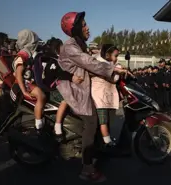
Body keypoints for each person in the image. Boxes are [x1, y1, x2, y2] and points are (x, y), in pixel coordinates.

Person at [58, 11, 127, 182]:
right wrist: (113, 69)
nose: (88, 28)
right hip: (74, 89)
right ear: (75, 29)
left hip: (82, 87)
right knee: (91, 121)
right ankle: (87, 169)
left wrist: (112, 69)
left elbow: (92, 63)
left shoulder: (79, 44)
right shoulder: (71, 46)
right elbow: (88, 62)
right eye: (84, 25)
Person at [41, 37, 84, 137]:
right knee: (66, 100)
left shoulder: (54, 60)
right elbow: (60, 73)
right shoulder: (53, 62)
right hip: (52, 90)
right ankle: (58, 125)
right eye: (62, 47)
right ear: (56, 49)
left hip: (56, 87)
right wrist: (72, 77)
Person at [13, 29, 46, 131]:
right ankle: (38, 123)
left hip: (29, 81)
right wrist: (24, 91)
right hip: (25, 83)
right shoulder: (24, 54)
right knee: (41, 96)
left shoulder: (28, 52)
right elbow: (19, 73)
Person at [91, 44, 121, 147]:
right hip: (100, 97)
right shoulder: (103, 66)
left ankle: (104, 140)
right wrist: (117, 67)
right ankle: (107, 142)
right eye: (115, 56)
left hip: (103, 96)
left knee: (105, 120)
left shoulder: (100, 63)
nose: (116, 58)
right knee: (103, 120)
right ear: (108, 55)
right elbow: (115, 79)